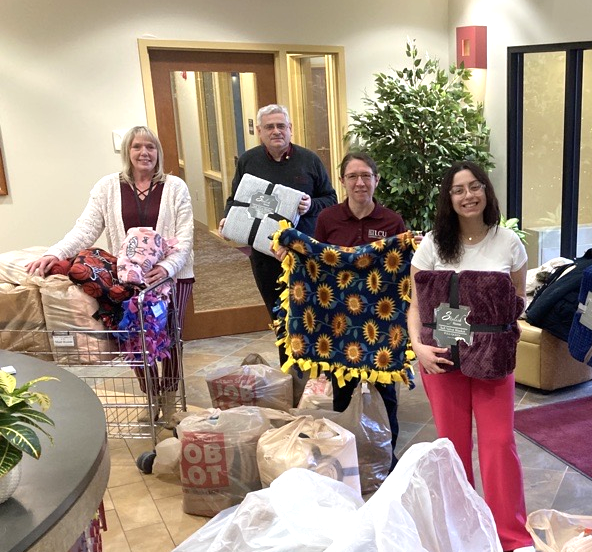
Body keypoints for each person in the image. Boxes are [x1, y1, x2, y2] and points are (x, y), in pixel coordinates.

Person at [407, 161, 536, 552]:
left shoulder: (508, 243)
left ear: (486, 192)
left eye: (474, 186)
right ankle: (461, 529)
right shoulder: (431, 244)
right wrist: (418, 348)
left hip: (493, 360)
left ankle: (511, 533)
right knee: (452, 444)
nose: (467, 195)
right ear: (449, 197)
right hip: (442, 356)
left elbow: (515, 302)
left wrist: (494, 337)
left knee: (499, 443)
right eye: (458, 189)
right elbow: (415, 304)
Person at [27, 126, 194, 421]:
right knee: (134, 338)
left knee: (169, 337)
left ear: (159, 153)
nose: (144, 153)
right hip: (128, 279)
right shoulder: (107, 187)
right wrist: (54, 253)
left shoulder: (175, 187)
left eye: (151, 147)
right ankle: (151, 398)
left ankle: (168, 402)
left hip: (170, 277)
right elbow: (86, 229)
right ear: (127, 152)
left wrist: (166, 267)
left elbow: (185, 236)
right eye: (137, 147)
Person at [221, 104, 337, 364]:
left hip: (305, 254)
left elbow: (331, 198)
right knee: (279, 316)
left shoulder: (309, 160)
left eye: (281, 126)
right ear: (260, 131)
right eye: (270, 127)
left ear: (290, 129)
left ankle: (315, 373)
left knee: (310, 316)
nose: (276, 131)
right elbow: (235, 201)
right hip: (266, 257)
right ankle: (289, 372)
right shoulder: (248, 162)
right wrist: (228, 218)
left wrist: (311, 205)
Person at [313, 152, 406, 467]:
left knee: (385, 392)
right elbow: (316, 266)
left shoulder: (392, 222)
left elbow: (402, 272)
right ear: (342, 181)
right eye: (352, 176)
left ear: (376, 180)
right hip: (340, 324)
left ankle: (386, 456)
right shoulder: (327, 220)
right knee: (343, 392)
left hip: (381, 324)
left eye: (366, 175)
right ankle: (346, 458)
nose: (360, 182)